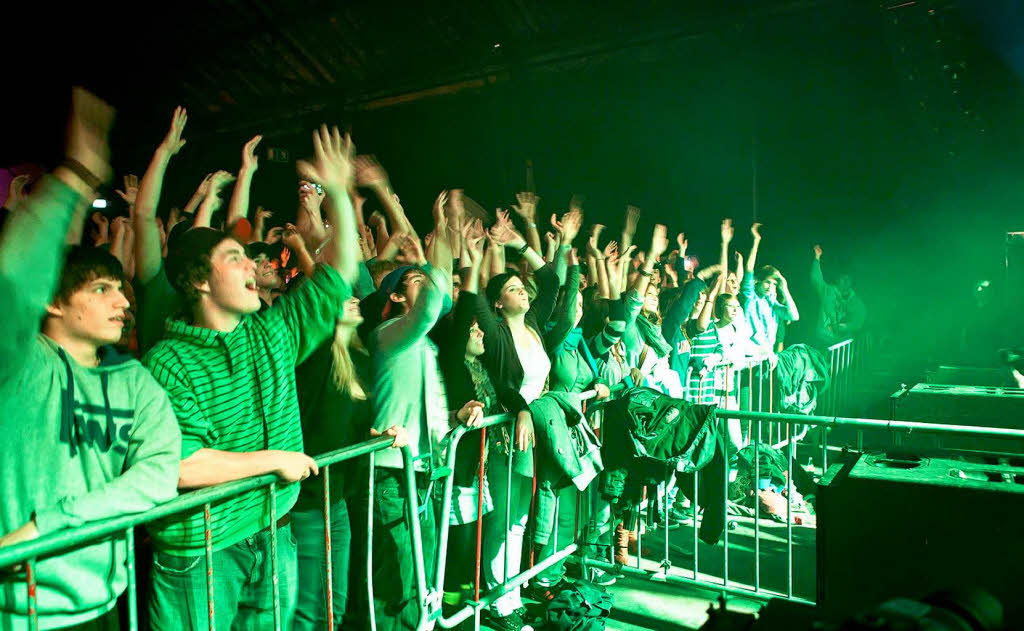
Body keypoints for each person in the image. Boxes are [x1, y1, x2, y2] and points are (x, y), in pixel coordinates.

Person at [142, 125, 361, 630]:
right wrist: (274, 461)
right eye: (234, 257)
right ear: (199, 281)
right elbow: (181, 466)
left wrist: (340, 198)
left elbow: (338, 273)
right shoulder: (169, 361)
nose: (252, 265)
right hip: (206, 546)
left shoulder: (270, 332)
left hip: (272, 526)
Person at [0, 89, 181, 631]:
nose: (124, 302)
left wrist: (50, 525)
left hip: (105, 602)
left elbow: (156, 476)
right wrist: (76, 177)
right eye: (103, 289)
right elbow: (12, 283)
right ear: (55, 301)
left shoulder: (135, 380)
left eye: (121, 289)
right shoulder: (20, 364)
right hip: (22, 607)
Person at [461, 207, 570, 631]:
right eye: (511, 288)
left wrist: (517, 242)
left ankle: (508, 594)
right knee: (507, 519)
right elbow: (509, 386)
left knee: (521, 518)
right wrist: (481, 253)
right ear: (498, 302)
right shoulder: (497, 333)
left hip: (531, 434)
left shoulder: (534, 327)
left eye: (521, 286)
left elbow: (552, 281)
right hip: (507, 435)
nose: (522, 291)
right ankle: (498, 601)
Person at [362, 188, 453, 631]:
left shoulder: (421, 342)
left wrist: (461, 413)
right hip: (391, 471)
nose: (426, 283)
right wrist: (395, 206)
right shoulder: (391, 333)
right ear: (395, 297)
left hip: (420, 467)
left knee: (422, 570)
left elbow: (443, 294)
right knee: (400, 576)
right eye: (414, 281)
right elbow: (435, 302)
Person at [740, 223, 799, 363]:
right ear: (758, 281)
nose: (770, 286)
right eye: (767, 282)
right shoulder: (750, 297)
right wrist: (756, 241)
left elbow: (794, 316)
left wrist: (784, 288)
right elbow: (749, 270)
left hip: (767, 356)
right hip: (750, 356)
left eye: (773, 284)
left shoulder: (772, 303)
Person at [811, 244, 865, 348]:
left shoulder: (856, 301)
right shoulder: (828, 291)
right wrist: (817, 258)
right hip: (822, 340)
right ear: (837, 279)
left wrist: (842, 327)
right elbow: (816, 279)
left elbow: (859, 321)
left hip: (842, 346)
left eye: (848, 279)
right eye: (842, 278)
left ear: (851, 281)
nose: (845, 281)